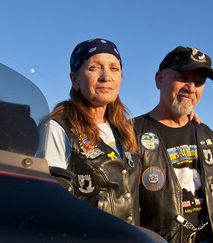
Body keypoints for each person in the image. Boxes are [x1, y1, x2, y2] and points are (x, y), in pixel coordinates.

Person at [134, 46, 213, 242]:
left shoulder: (208, 136)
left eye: (198, 82)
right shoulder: (130, 133)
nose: (190, 88)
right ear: (159, 79)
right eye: (182, 77)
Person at [36, 38, 140, 225]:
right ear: (75, 80)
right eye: (94, 68)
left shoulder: (125, 131)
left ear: (120, 79)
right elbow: (48, 204)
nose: (106, 76)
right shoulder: (58, 128)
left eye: (113, 68)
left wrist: (187, 118)